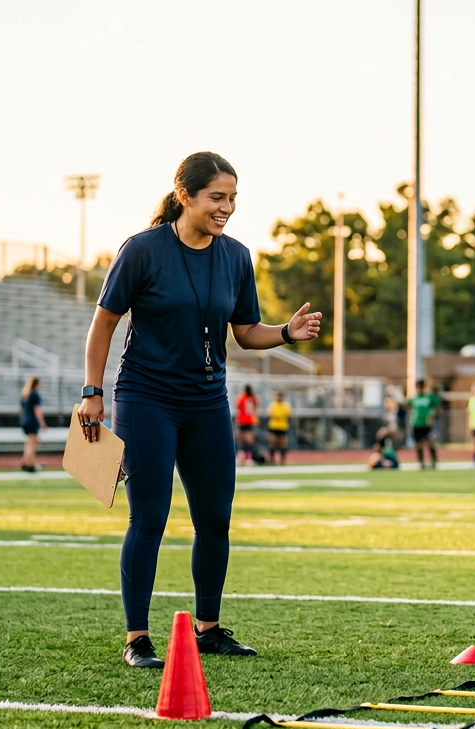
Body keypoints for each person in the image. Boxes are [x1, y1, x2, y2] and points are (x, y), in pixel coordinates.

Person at [79, 152, 322, 669]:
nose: (226, 207)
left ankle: (208, 630)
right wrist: (91, 391)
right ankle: (137, 639)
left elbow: (245, 332)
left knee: (215, 520)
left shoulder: (237, 256)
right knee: (149, 518)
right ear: (184, 196)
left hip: (208, 401)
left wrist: (285, 332)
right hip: (146, 398)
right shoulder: (142, 250)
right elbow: (103, 324)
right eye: (216, 197)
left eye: (232, 198)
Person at [408, 379, 441, 469]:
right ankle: (421, 462)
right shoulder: (413, 398)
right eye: (418, 387)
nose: (420, 389)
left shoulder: (430, 397)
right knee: (418, 444)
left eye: (421, 387)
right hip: (417, 423)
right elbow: (408, 406)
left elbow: (437, 407)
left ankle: (434, 462)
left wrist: (433, 415)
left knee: (430, 442)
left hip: (427, 424)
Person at [19, 377, 46, 472]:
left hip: (25, 421)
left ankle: (26, 461)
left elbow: (22, 410)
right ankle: (29, 464)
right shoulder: (34, 394)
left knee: (30, 442)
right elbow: (37, 409)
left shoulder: (25, 394)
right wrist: (42, 422)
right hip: (32, 421)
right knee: (32, 443)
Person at [235, 384, 259, 465]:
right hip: (249, 420)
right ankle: (247, 457)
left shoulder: (241, 397)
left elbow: (238, 408)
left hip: (243, 420)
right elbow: (255, 407)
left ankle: (243, 457)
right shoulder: (253, 398)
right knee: (248, 440)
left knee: (242, 439)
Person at [267, 391, 291, 465]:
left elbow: (287, 414)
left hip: (283, 427)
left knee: (282, 444)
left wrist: (279, 416)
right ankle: (272, 459)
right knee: (273, 443)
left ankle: (282, 459)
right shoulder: (273, 405)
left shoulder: (286, 406)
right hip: (274, 426)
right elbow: (273, 414)